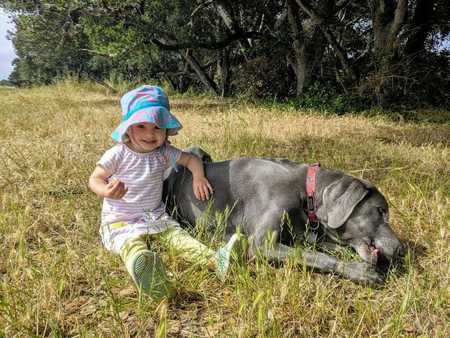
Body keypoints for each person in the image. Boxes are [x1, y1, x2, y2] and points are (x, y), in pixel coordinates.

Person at [89, 85, 240, 300]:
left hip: (155, 215)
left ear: (166, 131)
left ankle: (216, 260)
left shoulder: (163, 152)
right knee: (131, 244)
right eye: (141, 125)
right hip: (121, 219)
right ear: (128, 129)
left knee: (179, 238)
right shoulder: (117, 154)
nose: (150, 133)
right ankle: (146, 270)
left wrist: (198, 176)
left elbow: (191, 158)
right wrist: (106, 190)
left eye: (158, 127)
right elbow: (94, 178)